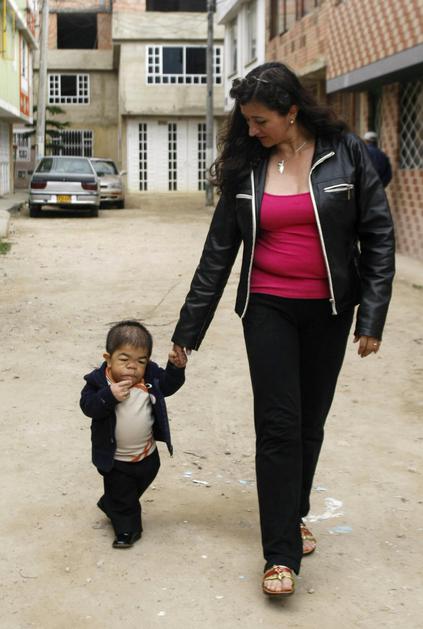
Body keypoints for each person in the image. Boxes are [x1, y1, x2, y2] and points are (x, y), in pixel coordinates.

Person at [171, 62, 395, 597]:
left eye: (260, 120)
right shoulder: (246, 166)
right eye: (246, 120)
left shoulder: (346, 153)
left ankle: (293, 514)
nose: (251, 130)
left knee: (309, 424)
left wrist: (372, 316)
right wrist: (187, 330)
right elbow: (218, 253)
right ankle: (280, 556)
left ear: (291, 112)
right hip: (267, 307)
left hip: (330, 310)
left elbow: (378, 235)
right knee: (278, 425)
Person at [80, 320, 186, 549]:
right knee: (124, 496)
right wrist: (109, 396)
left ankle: (112, 502)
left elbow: (168, 386)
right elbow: (88, 407)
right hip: (116, 459)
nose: (132, 367)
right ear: (108, 358)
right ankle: (127, 530)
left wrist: (175, 368)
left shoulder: (149, 376)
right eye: (124, 360)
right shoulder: (98, 382)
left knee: (137, 483)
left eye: (140, 361)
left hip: (147, 453)